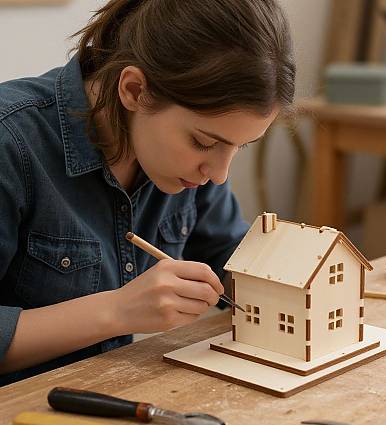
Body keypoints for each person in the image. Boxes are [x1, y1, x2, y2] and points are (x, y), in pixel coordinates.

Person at [0, 0, 295, 385]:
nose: (219, 175)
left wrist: (296, 283)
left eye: (238, 147)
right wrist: (117, 311)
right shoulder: (11, 143)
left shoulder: (186, 166)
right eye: (204, 142)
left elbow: (234, 259)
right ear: (135, 90)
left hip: (111, 397)